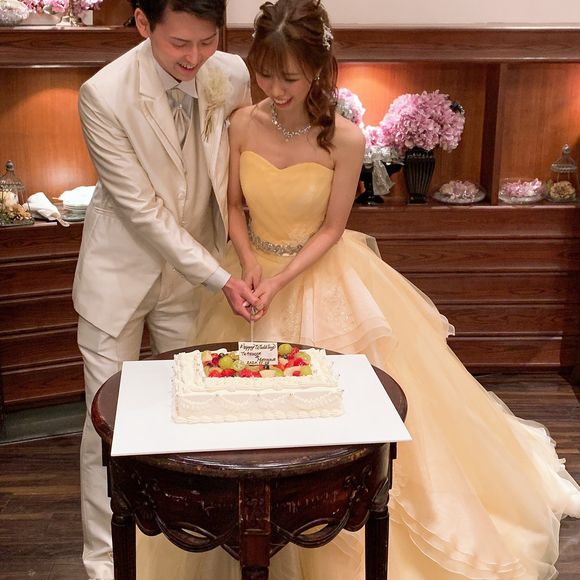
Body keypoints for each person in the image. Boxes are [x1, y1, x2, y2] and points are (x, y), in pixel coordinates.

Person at [136, 0, 580, 578]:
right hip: (248, 277)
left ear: (318, 69)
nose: (276, 89)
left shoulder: (344, 139)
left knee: (341, 428)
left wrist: (282, 277)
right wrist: (246, 263)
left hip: (321, 276)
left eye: (290, 77)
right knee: (241, 420)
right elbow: (235, 207)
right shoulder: (242, 123)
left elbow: (331, 229)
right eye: (265, 74)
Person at [73, 1, 263, 578]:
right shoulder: (104, 94)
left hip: (194, 279)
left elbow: (241, 167)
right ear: (142, 23)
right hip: (119, 277)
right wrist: (222, 276)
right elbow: (142, 211)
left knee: (190, 414)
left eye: (207, 41)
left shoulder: (230, 74)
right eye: (180, 43)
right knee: (108, 426)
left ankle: (182, 553)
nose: (194, 57)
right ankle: (107, 561)